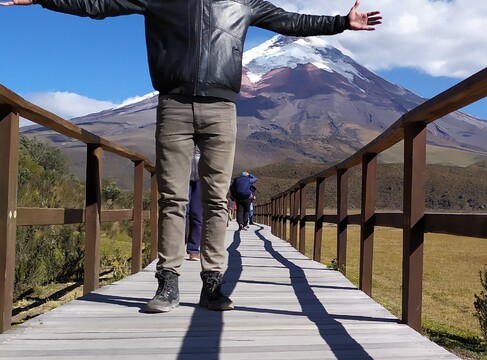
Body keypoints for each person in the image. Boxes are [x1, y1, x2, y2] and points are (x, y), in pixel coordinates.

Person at [2, 0, 383, 313]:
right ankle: (168, 282)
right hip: (174, 104)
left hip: (222, 108)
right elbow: (98, 3)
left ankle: (212, 284)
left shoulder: (243, 1)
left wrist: (340, 22)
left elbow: (290, 21)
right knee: (172, 197)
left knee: (217, 199)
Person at [186, 145, 202, 262]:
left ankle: (193, 249)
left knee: (197, 214)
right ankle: (176, 247)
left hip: (202, 177)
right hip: (182, 174)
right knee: (181, 213)